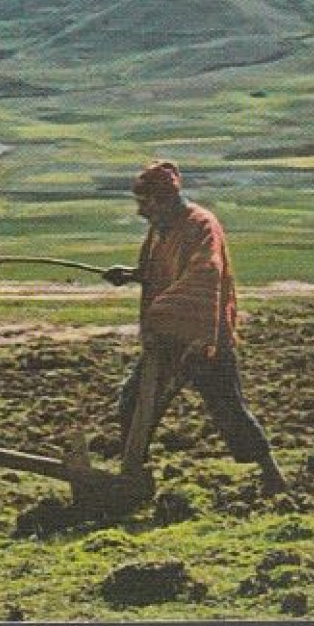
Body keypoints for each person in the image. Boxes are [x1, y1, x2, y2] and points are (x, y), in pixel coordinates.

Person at [103, 160, 288, 495]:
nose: (140, 212)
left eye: (144, 204)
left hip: (204, 337)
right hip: (168, 335)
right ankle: (134, 475)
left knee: (228, 407)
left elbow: (205, 276)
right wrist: (132, 275)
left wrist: (162, 311)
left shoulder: (202, 225)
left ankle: (272, 476)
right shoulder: (162, 228)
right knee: (133, 401)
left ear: (162, 200)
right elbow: (156, 270)